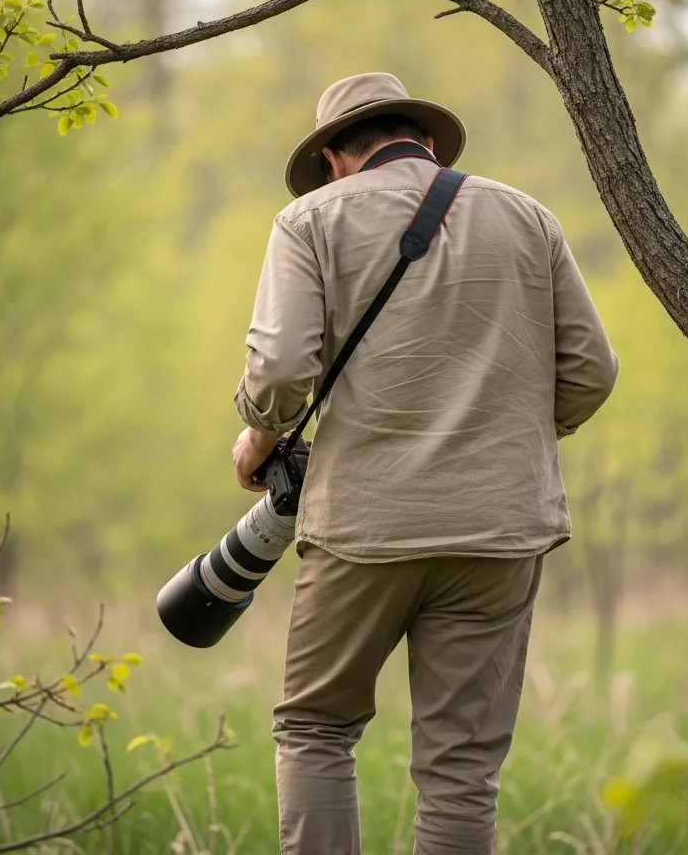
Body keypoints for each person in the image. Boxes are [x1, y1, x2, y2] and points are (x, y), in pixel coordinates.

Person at [230, 72, 618, 855]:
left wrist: (256, 441)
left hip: (363, 527)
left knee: (315, 729)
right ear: (428, 143)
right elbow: (592, 372)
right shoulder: (528, 217)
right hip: (501, 530)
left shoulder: (307, 222)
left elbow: (278, 377)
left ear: (335, 158)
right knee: (460, 770)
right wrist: (502, 443)